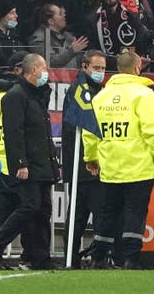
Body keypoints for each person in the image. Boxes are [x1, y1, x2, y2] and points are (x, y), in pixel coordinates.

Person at [82, 51, 154, 270]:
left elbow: (90, 131)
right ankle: (130, 259)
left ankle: (99, 257)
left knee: (108, 212)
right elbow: (152, 129)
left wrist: (90, 157)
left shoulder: (101, 96)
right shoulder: (143, 94)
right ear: (138, 66)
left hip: (110, 165)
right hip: (138, 165)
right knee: (135, 212)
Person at [0, 53, 58, 270]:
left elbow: (40, 133)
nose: (47, 72)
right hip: (29, 165)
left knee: (43, 210)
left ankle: (41, 258)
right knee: (29, 205)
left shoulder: (37, 95)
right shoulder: (15, 96)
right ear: (33, 70)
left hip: (42, 163)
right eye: (43, 68)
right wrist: (20, 164)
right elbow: (14, 134)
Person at [61, 49, 107, 269]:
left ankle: (82, 256)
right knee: (83, 215)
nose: (100, 72)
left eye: (103, 68)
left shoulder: (97, 90)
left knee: (85, 213)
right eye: (96, 68)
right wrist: (91, 159)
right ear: (84, 67)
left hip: (89, 162)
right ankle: (74, 257)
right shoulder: (81, 91)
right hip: (84, 163)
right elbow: (85, 126)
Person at [28, 3, 88, 69]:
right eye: (60, 14)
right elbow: (50, 62)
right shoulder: (39, 39)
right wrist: (72, 50)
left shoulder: (69, 37)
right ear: (51, 21)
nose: (64, 16)